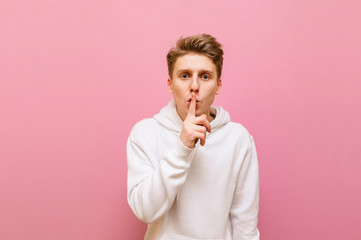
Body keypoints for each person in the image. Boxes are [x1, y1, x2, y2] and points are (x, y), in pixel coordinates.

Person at [127, 33, 260, 240]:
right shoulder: (144, 133)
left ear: (218, 85)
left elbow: (245, 224)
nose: (195, 86)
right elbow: (145, 211)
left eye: (205, 76)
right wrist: (182, 147)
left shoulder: (238, 139)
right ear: (171, 84)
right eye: (185, 75)